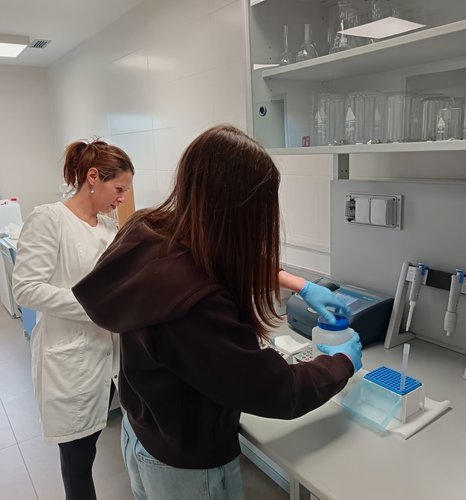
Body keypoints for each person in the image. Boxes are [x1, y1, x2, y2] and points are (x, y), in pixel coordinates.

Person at [72, 124, 362, 500]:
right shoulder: (197, 304)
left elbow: (218, 254)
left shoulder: (148, 229)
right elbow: (275, 390)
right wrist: (340, 363)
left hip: (142, 432)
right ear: (241, 210)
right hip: (186, 467)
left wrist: (300, 285)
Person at [12, 139, 135, 500]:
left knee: (97, 443)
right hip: (70, 363)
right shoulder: (50, 219)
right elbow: (26, 289)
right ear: (93, 177)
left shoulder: (109, 229)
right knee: (78, 461)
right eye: (119, 189)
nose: (122, 199)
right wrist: (96, 307)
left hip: (108, 359)